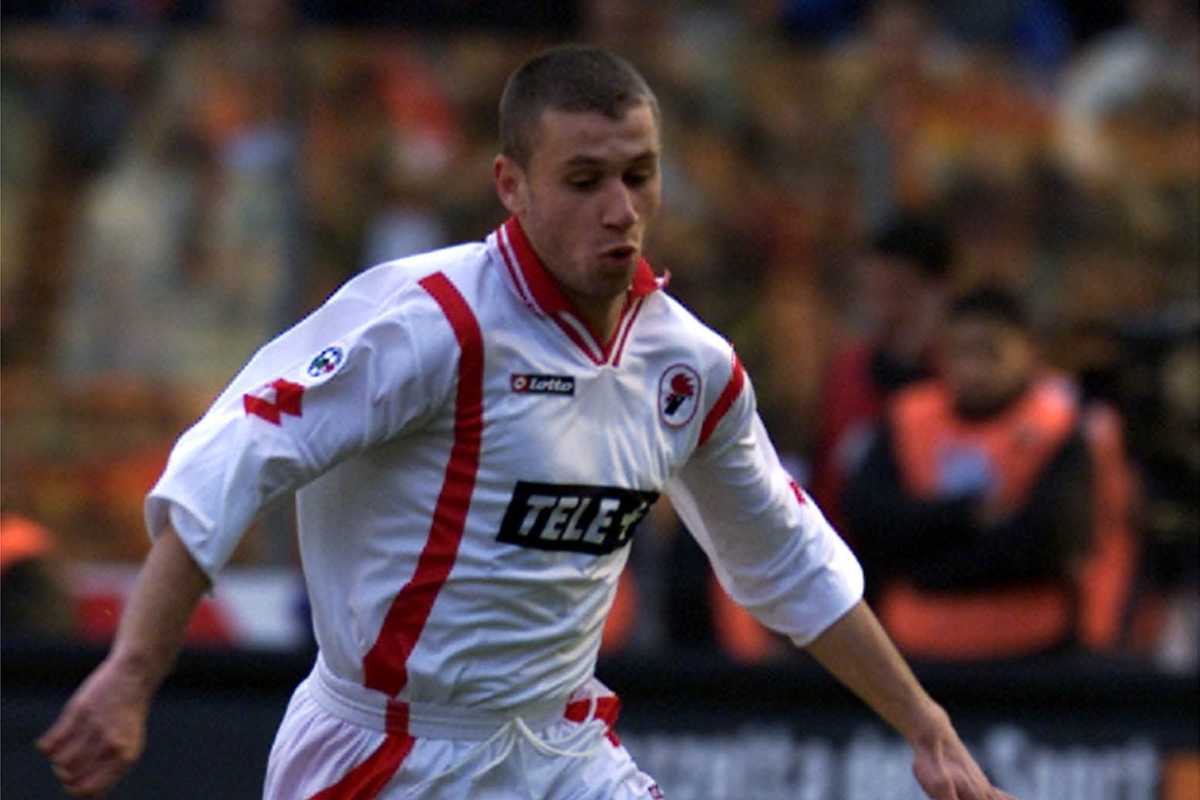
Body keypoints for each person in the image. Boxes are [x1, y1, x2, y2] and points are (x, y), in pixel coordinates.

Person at [39, 45, 1012, 800]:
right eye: (585, 181)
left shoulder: (691, 366)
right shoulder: (429, 322)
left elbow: (790, 558)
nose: (620, 210)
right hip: (388, 752)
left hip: (561, 746)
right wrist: (131, 672)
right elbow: (231, 461)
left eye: (640, 174)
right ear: (511, 185)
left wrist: (926, 725)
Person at [844, 286, 1136, 661]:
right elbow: (869, 519)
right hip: (913, 648)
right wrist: (967, 514)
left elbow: (1048, 541)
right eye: (961, 352)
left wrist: (925, 562)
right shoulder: (907, 417)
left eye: (990, 352)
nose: (973, 369)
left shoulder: (1061, 425)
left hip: (1032, 655)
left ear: (1030, 352)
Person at [810, 210, 953, 538]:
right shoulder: (845, 375)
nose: (883, 310)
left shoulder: (964, 385)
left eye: (898, 293)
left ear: (938, 293)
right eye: (873, 293)